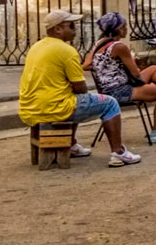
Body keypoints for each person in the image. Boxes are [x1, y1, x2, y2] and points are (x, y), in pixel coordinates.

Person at [19, 9, 140, 166]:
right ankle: (118, 152)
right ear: (58, 29)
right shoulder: (67, 51)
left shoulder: (36, 47)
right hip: (54, 108)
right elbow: (81, 87)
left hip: (29, 108)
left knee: (74, 98)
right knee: (110, 103)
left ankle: (72, 144)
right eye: (71, 26)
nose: (75, 30)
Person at [84, 12, 156, 145]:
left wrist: (103, 66)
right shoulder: (119, 47)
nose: (127, 29)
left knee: (155, 69)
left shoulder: (99, 44)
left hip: (108, 88)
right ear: (119, 29)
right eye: (125, 26)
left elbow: (86, 64)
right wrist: (134, 65)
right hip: (120, 90)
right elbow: (136, 75)